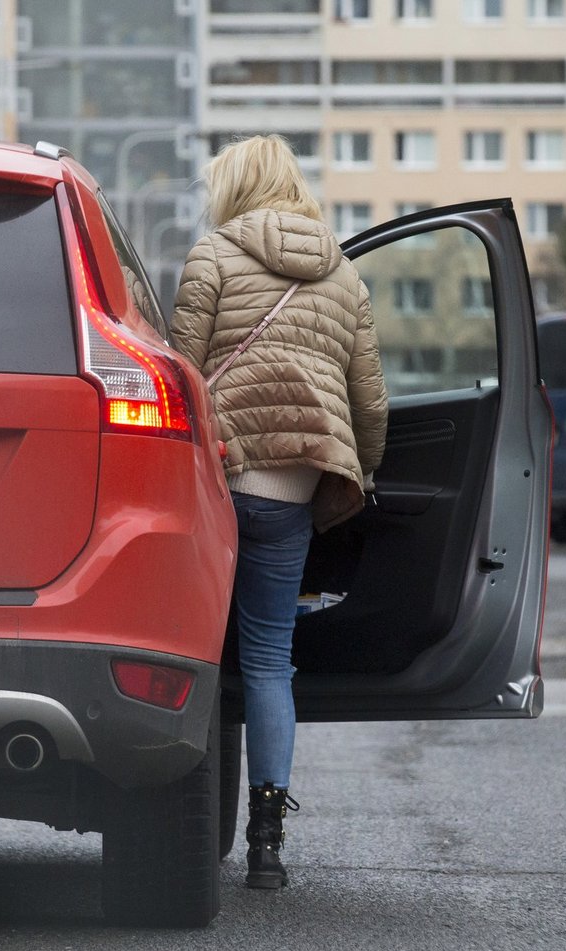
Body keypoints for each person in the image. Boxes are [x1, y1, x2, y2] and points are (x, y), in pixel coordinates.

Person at [169, 135, 388, 890]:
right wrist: (360, 474)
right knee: (268, 662)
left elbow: (180, 373)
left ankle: (175, 805)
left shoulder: (213, 256)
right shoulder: (343, 272)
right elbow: (370, 404)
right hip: (293, 491)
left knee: (188, 650)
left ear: (234, 186)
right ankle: (267, 840)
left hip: (220, 483)